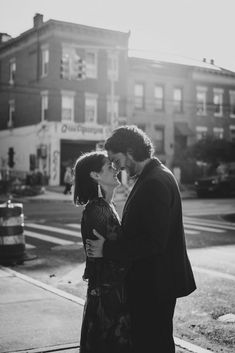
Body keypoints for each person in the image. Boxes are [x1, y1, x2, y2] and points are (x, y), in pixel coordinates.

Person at [86, 125, 197, 353]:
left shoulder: (155, 182)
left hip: (154, 284)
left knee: (153, 343)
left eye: (116, 160)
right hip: (155, 282)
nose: (116, 167)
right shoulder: (153, 176)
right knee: (155, 341)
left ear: (130, 150)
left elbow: (153, 242)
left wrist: (107, 248)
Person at [73, 151, 132, 353]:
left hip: (108, 295)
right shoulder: (98, 209)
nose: (115, 169)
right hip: (108, 300)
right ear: (95, 176)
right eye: (109, 166)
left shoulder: (106, 206)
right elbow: (109, 260)